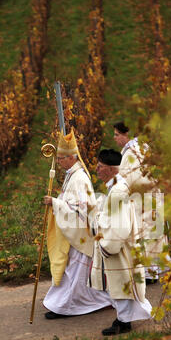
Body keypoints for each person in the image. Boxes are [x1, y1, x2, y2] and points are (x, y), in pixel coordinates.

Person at [42, 129, 112, 319]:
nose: (58, 161)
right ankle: (77, 302)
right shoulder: (71, 174)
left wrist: (54, 203)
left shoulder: (79, 178)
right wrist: (57, 202)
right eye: (58, 158)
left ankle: (69, 306)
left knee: (75, 273)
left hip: (81, 234)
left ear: (72, 158)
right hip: (76, 233)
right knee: (73, 271)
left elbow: (80, 209)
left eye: (61, 158)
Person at [88, 149, 152, 335]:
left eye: (100, 167)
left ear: (111, 169)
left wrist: (108, 246)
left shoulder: (117, 191)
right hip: (120, 244)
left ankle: (124, 322)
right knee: (119, 283)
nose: (97, 170)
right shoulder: (117, 187)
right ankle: (125, 318)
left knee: (120, 282)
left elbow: (121, 226)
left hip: (119, 247)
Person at [113, 122, 170, 284]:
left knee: (144, 235)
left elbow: (133, 178)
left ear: (126, 135)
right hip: (150, 199)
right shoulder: (143, 147)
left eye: (117, 135)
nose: (114, 138)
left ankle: (149, 273)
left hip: (142, 201)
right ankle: (153, 270)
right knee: (152, 234)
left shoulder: (133, 152)